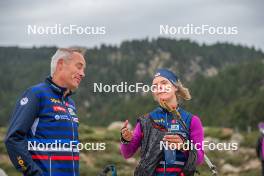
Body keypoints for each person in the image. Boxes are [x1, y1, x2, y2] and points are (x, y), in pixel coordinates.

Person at [4, 48, 86, 176]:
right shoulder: (36, 94)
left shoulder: (70, 103)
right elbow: (13, 139)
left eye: (83, 69)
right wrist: (33, 173)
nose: (82, 74)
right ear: (60, 64)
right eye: (79, 67)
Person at [120, 68, 204, 176]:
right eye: (155, 86)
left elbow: (200, 158)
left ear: (175, 87)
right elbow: (127, 154)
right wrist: (125, 140)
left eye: (164, 83)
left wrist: (184, 146)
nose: (159, 87)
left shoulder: (192, 120)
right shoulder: (146, 121)